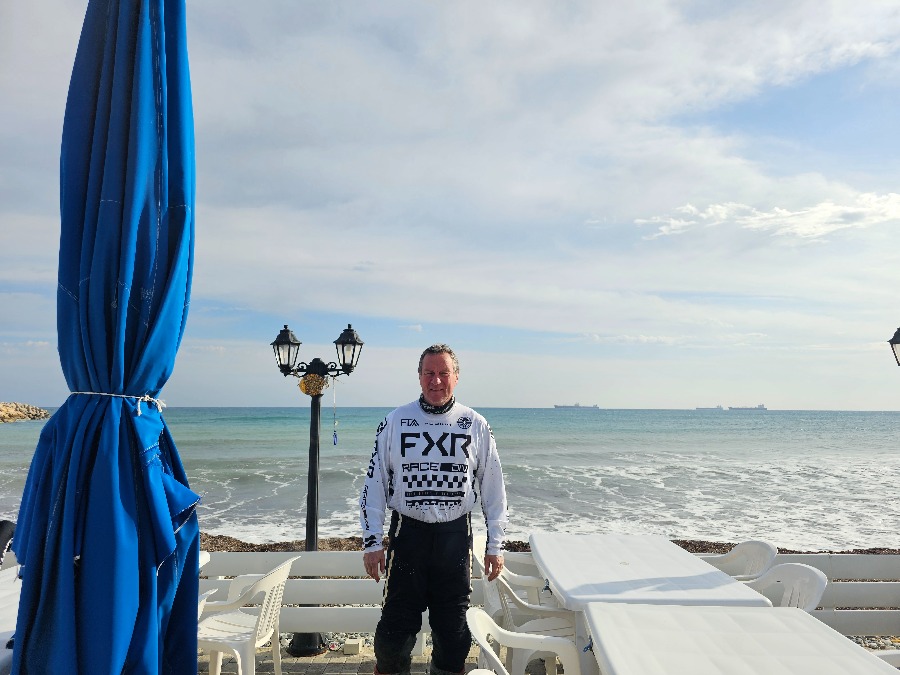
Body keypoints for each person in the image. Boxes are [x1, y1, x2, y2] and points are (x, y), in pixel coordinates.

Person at [359, 344, 508, 675]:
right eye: (429, 373)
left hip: (454, 537)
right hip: (407, 536)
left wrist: (495, 545)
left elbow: (493, 488)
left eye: (443, 373)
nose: (436, 380)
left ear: (456, 377)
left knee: (454, 635)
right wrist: (372, 542)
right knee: (393, 634)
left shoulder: (475, 424)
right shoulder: (395, 421)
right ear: (419, 376)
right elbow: (374, 484)